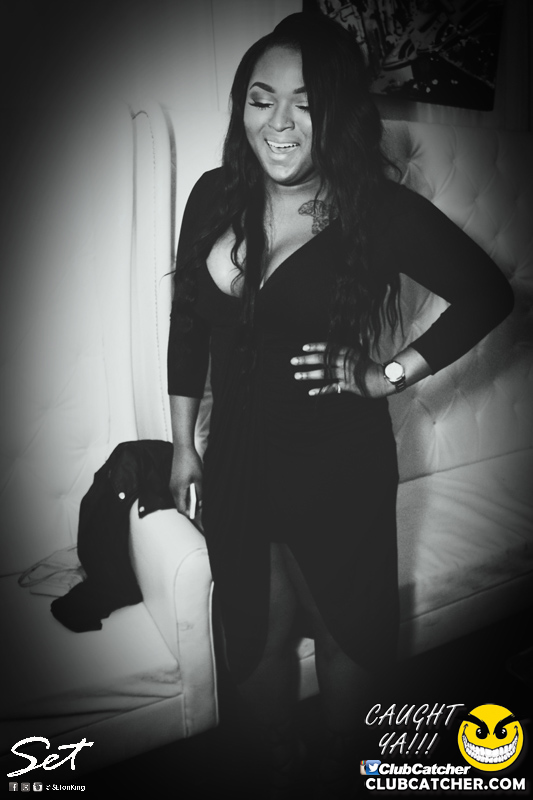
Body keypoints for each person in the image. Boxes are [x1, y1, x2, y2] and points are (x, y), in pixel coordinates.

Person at [167, 12, 514, 797]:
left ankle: (347, 771)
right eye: (261, 99)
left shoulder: (376, 210)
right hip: (237, 464)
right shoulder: (212, 196)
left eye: (306, 103)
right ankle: (274, 768)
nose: (279, 122)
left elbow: (487, 294)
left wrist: (386, 374)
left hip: (338, 464)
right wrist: (183, 443)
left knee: (347, 645)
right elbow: (188, 326)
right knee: (252, 644)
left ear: (338, 115)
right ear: (241, 106)